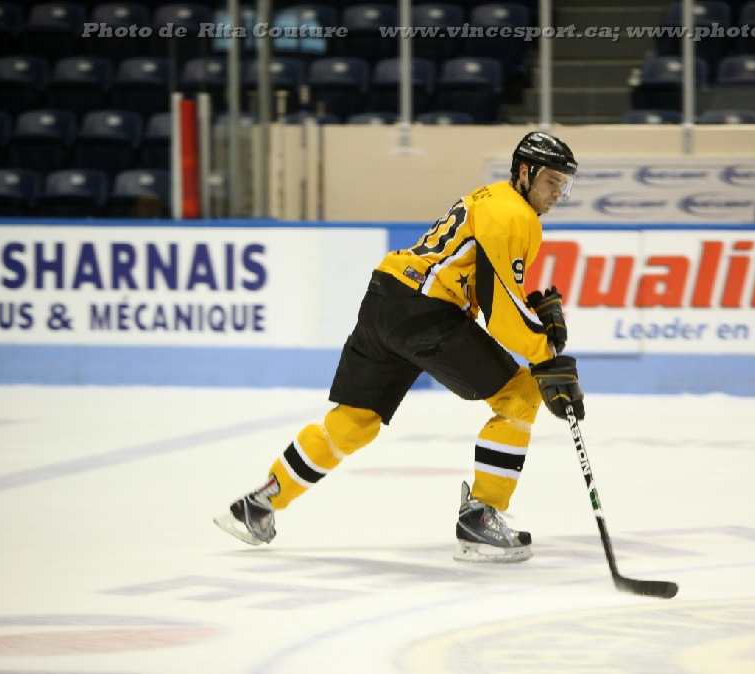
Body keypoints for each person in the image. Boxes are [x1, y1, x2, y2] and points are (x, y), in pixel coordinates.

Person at [214, 131, 584, 564]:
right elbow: (501, 310)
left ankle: (259, 504)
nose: (557, 193)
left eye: (563, 184)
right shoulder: (515, 215)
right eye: (551, 181)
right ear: (524, 172)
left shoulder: (492, 198)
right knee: (520, 395)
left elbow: (491, 291)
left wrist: (535, 320)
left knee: (354, 422)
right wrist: (546, 356)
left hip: (385, 299)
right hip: (425, 311)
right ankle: (480, 519)